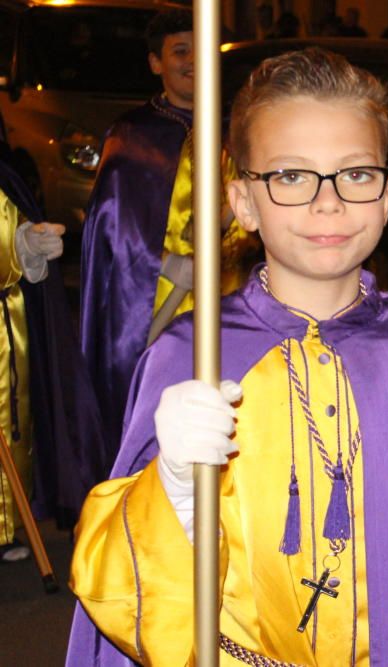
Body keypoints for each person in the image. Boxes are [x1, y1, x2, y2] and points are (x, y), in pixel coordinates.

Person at [66, 47, 388, 665]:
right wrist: (171, 485)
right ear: (243, 202)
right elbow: (124, 587)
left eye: (356, 173)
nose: (328, 202)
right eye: (290, 176)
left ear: (387, 196)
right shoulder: (191, 356)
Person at [78, 9, 257, 470]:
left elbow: (255, 220)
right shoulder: (132, 135)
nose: (194, 60)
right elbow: (112, 233)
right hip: (152, 314)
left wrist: (229, 243)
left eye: (203, 48)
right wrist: (165, 264)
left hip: (225, 304)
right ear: (156, 63)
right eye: (180, 50)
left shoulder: (237, 131)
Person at [0, 124, 106, 557]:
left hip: (7, 321)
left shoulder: (6, 164)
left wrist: (26, 243)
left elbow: (11, 218)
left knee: (13, 422)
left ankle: (5, 524)